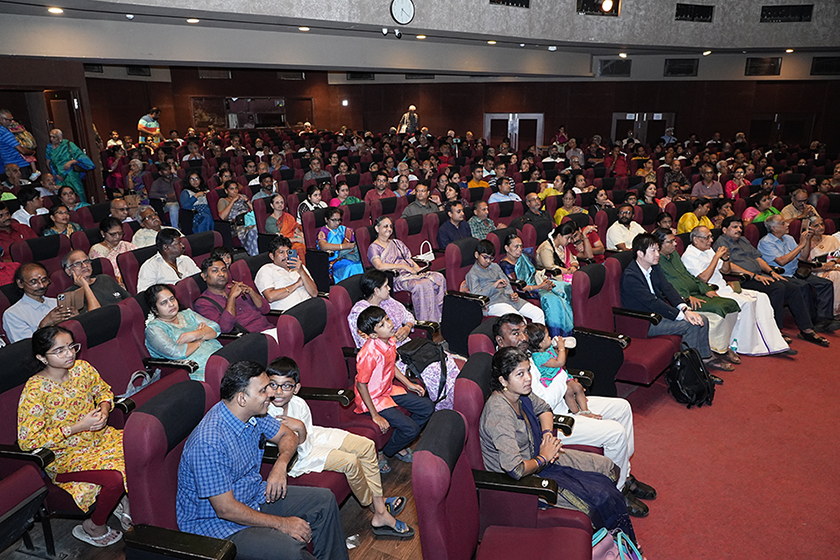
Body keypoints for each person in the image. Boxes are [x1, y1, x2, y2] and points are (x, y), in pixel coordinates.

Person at [177, 360, 349, 560]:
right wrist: (282, 523)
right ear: (242, 398)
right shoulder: (209, 442)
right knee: (291, 550)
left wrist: (280, 465)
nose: (271, 394)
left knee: (324, 501)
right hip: (217, 526)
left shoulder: (253, 414)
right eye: (263, 390)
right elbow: (225, 509)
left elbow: (289, 436)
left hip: (252, 495)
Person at [479, 347, 639, 539]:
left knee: (605, 467)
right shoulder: (499, 412)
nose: (528, 378)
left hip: (539, 456)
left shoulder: (521, 393)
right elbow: (515, 469)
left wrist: (547, 434)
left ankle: (617, 542)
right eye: (520, 374)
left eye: (528, 370)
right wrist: (543, 458)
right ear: (503, 381)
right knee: (601, 495)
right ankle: (615, 544)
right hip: (524, 481)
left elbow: (545, 409)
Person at [265, 357, 413, 538]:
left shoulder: (299, 403)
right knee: (350, 462)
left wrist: (301, 428)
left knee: (366, 446)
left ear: (296, 388)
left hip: (310, 437)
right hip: (297, 456)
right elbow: (298, 449)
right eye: (273, 385)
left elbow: (308, 432)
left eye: (286, 386)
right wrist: (299, 429)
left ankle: (380, 508)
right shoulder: (265, 411)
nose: (279, 392)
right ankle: (378, 508)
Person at [19, 326, 130, 547]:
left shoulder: (82, 368)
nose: (70, 354)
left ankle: (125, 502)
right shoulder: (35, 389)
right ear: (42, 357)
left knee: (138, 449)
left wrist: (105, 411)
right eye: (59, 350)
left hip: (100, 438)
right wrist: (78, 427)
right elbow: (28, 441)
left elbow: (103, 391)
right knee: (114, 478)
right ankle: (94, 525)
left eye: (71, 346)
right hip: (65, 456)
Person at [347, 270, 460, 414]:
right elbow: (367, 346)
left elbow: (408, 315)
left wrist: (407, 327)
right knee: (435, 371)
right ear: (376, 290)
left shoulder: (387, 301)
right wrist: (391, 339)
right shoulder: (359, 314)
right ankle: (446, 411)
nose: (389, 289)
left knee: (445, 360)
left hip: (409, 346)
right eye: (386, 286)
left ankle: (458, 402)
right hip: (393, 357)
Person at [621, 233, 731, 375]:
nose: (657, 254)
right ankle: (689, 372)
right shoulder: (631, 276)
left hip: (658, 314)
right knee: (690, 325)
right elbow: (652, 302)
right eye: (653, 251)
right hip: (644, 321)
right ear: (640, 254)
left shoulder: (654, 267)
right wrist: (681, 316)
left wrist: (685, 309)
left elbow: (668, 288)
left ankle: (704, 359)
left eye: (657, 250)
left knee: (701, 319)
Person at [714, 216, 830, 347]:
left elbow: (758, 259)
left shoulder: (743, 240)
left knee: (793, 287)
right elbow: (730, 266)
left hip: (759, 275)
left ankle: (806, 329)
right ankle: (776, 330)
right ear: (724, 230)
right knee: (778, 288)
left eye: (740, 227)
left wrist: (771, 272)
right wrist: (753, 275)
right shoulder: (721, 243)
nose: (739, 229)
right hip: (742, 279)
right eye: (735, 227)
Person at [682, 226, 792, 356]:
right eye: (707, 237)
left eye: (711, 236)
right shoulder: (689, 256)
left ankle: (772, 340)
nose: (711, 240)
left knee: (762, 297)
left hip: (724, 287)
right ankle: (744, 345)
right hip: (712, 290)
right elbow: (703, 279)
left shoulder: (708, 250)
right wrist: (716, 257)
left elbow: (726, 271)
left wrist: (726, 259)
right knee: (747, 303)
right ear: (696, 239)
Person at [354, 306, 434, 466]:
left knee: (427, 407)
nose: (389, 324)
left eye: (387, 319)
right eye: (382, 325)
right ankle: (388, 450)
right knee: (411, 429)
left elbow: (390, 365)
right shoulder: (369, 354)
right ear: (373, 335)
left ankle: (396, 443)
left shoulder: (389, 340)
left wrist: (408, 384)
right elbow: (361, 384)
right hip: (373, 397)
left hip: (387, 389)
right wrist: (375, 415)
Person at [655, 229, 741, 363]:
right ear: (658, 244)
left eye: (674, 240)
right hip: (684, 298)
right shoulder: (657, 261)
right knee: (719, 310)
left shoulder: (674, 255)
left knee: (731, 304)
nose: (675, 244)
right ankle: (715, 350)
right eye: (670, 242)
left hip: (696, 292)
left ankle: (724, 346)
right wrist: (687, 297)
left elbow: (689, 276)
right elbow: (667, 286)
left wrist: (705, 289)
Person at [758, 215, 838, 329]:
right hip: (781, 275)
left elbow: (803, 258)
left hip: (796, 271)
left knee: (825, 284)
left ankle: (824, 320)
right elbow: (781, 261)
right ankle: (810, 322)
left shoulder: (789, 238)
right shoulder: (766, 242)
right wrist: (800, 245)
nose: (787, 224)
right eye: (783, 223)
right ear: (774, 228)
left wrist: (807, 241)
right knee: (803, 286)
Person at [368, 216, 445, 322]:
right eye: (385, 226)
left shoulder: (396, 243)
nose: (389, 229)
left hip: (410, 273)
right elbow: (379, 266)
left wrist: (417, 269)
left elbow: (408, 259)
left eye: (390, 226)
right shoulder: (374, 247)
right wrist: (404, 267)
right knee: (421, 284)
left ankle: (439, 315)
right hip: (396, 278)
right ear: (377, 229)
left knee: (438, 277)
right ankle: (426, 321)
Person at [500, 233, 573, 337]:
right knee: (553, 299)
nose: (519, 249)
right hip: (525, 291)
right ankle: (556, 335)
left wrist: (545, 280)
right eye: (516, 246)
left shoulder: (523, 258)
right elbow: (519, 288)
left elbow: (533, 272)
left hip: (536, 283)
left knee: (564, 287)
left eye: (521, 246)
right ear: (507, 248)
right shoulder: (505, 266)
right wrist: (541, 286)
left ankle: (570, 329)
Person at [144, 283, 221, 381]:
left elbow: (216, 328)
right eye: (164, 303)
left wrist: (194, 335)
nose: (171, 304)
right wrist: (201, 338)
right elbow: (177, 352)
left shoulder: (188, 314)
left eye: (172, 299)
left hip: (219, 355)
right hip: (198, 370)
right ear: (155, 309)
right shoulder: (154, 329)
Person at [466, 239, 546, 324]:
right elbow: (477, 296)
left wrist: (511, 294)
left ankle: (540, 337)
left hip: (507, 298)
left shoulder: (495, 266)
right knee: (519, 321)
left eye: (491, 258)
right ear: (476, 255)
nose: (488, 261)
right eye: (485, 257)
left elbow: (506, 282)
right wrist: (494, 286)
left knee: (538, 313)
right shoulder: (472, 274)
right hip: (493, 303)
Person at [194, 257, 273, 336]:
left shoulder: (236, 287)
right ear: (204, 276)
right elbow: (225, 328)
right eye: (215, 271)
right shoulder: (203, 303)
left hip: (269, 329)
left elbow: (265, 309)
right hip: (249, 338)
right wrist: (231, 297)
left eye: (224, 270)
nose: (221, 274)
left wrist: (251, 292)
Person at [4, 262, 77, 342]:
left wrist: (76, 319)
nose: (42, 285)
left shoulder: (56, 302)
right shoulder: (13, 314)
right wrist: (42, 326)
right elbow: (24, 347)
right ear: (20, 283)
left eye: (44, 280)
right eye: (34, 282)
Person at [255, 235, 317, 313]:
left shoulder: (299, 267)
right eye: (281, 252)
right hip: (291, 314)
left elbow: (314, 293)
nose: (286, 256)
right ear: (272, 256)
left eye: (288, 252)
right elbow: (270, 297)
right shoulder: (266, 270)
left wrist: (301, 271)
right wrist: (296, 284)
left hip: (310, 307)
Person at [61, 250, 129, 313]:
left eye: (86, 261)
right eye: (78, 263)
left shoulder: (105, 278)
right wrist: (85, 286)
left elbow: (130, 300)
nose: (84, 265)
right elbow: (96, 316)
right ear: (69, 271)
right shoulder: (70, 294)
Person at [136, 228, 201, 292]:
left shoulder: (186, 260)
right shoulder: (150, 266)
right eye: (179, 243)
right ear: (166, 247)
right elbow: (145, 294)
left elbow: (200, 279)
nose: (183, 246)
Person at [45, 128, 93, 204]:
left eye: (54, 137)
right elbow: (48, 162)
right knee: (62, 194)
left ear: (60, 138)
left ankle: (82, 209)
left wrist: (70, 162)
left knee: (77, 192)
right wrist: (55, 174)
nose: (52, 139)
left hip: (71, 174)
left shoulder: (68, 144)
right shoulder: (49, 148)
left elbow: (82, 157)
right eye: (50, 137)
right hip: (58, 176)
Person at [317, 207, 364, 282]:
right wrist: (343, 246)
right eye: (334, 220)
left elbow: (356, 238)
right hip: (334, 261)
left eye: (339, 220)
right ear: (326, 219)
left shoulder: (343, 229)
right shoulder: (324, 231)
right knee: (352, 267)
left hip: (347, 256)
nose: (337, 223)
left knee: (361, 264)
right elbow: (323, 245)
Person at [89, 217, 137, 289]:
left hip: (132, 278)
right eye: (113, 234)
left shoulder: (126, 245)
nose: (117, 237)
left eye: (120, 233)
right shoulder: (96, 250)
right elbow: (102, 273)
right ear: (103, 233)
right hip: (111, 284)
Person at [217, 180, 258, 256]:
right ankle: (254, 254)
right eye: (231, 189)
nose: (235, 191)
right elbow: (222, 217)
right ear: (226, 191)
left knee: (258, 228)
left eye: (236, 188)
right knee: (253, 230)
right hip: (238, 225)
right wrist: (233, 201)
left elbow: (256, 211)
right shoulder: (223, 200)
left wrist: (247, 200)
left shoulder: (243, 197)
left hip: (250, 220)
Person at [265, 194, 306, 263]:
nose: (280, 204)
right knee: (299, 247)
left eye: (282, 202)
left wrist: (302, 235)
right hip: (282, 244)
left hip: (293, 239)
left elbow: (296, 228)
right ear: (272, 205)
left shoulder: (288, 216)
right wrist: (299, 240)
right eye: (277, 202)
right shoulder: (270, 221)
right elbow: (280, 239)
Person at [0, 109, 36, 178]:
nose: (11, 123)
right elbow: (22, 150)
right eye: (9, 120)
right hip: (18, 165)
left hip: (9, 164)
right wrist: (32, 152)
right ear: (1, 120)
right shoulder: (4, 133)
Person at [149, 162, 180, 228]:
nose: (168, 172)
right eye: (165, 170)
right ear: (160, 173)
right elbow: (152, 194)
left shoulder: (177, 180)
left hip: (180, 202)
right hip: (167, 204)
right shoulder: (157, 182)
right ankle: (175, 229)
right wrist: (166, 195)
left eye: (169, 169)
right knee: (173, 206)